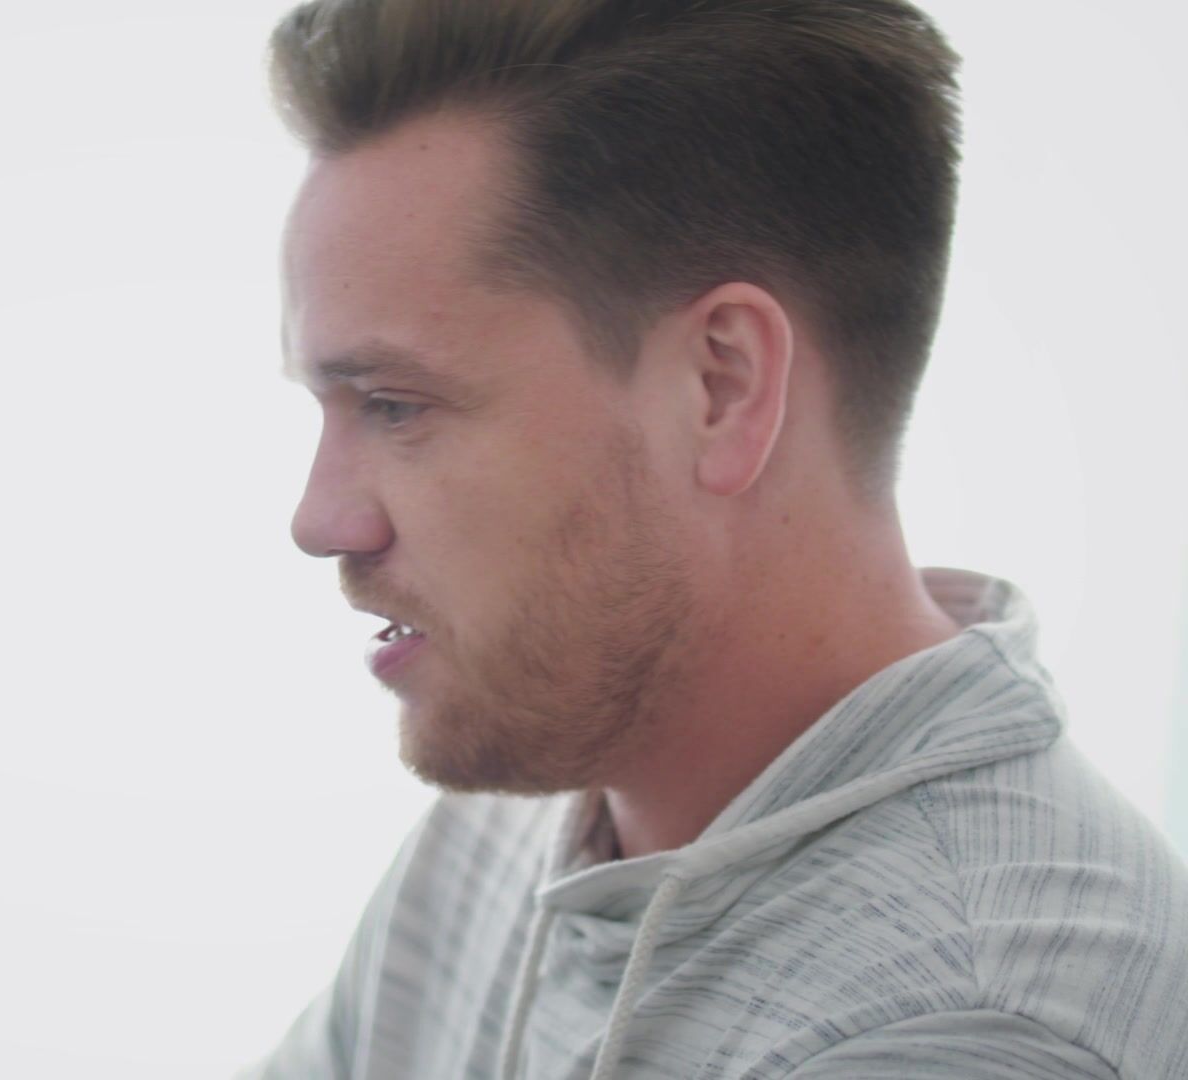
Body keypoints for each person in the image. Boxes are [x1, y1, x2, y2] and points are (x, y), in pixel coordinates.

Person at [242, 0, 1188, 1077]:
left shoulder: (973, 1023)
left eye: (394, 405)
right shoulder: (518, 808)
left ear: (720, 386)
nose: (322, 521)